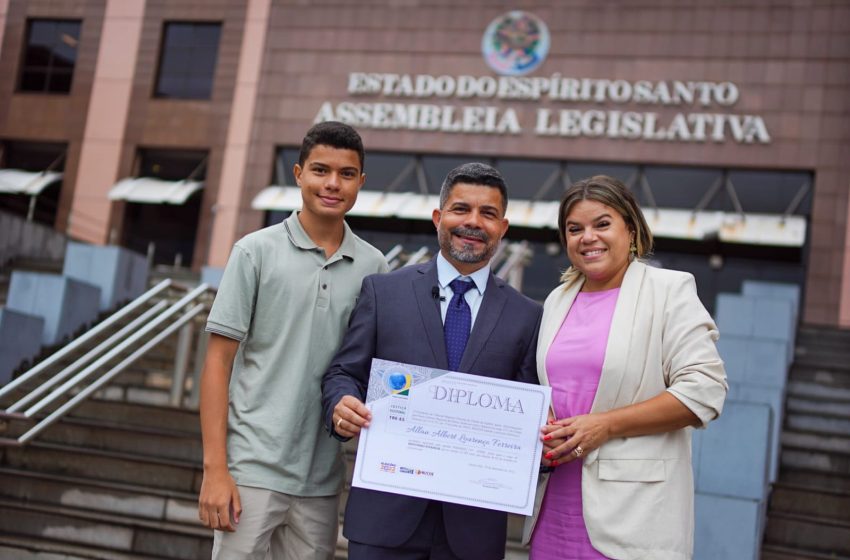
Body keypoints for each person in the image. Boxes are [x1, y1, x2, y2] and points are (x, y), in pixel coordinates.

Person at [321, 162, 542, 560]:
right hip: (385, 519)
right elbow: (343, 373)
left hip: (472, 530)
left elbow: (528, 414)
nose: (473, 222)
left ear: (503, 228)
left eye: (488, 214)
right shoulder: (383, 292)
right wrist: (341, 405)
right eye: (461, 209)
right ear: (439, 217)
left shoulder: (527, 315)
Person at [197, 121, 388, 559]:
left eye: (345, 174)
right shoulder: (254, 251)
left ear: (361, 182)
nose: (332, 184)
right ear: (299, 173)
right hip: (250, 471)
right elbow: (217, 365)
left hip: (322, 480)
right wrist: (215, 470)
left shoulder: (375, 267)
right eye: (321, 170)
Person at [525, 175, 728, 560]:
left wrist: (606, 424)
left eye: (602, 224)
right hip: (555, 505)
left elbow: (705, 390)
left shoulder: (669, 290)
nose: (588, 237)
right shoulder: (557, 299)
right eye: (575, 229)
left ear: (630, 229)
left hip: (634, 513)